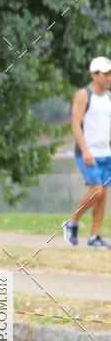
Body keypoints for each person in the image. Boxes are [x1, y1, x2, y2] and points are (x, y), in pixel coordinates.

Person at [63, 56, 111, 248]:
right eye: (106, 74)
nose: (109, 77)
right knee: (96, 191)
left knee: (103, 195)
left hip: (106, 153)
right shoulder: (83, 94)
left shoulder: (108, 97)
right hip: (87, 153)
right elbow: (75, 123)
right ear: (94, 74)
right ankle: (72, 222)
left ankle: (94, 237)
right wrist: (85, 150)